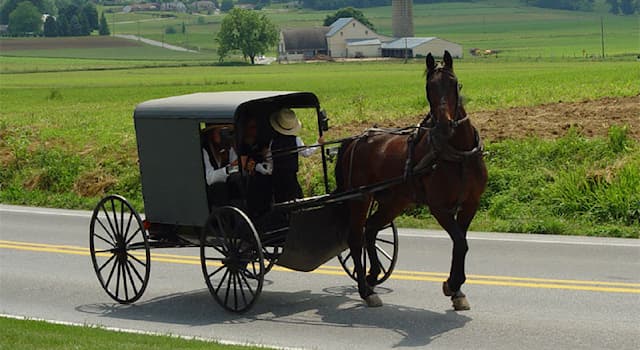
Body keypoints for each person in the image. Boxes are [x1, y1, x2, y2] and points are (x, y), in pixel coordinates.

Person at [269, 108, 323, 203]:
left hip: (277, 179)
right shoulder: (296, 140)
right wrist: (318, 143)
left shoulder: (273, 142)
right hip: (291, 178)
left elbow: (270, 160)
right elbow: (306, 153)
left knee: (280, 202)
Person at [201, 125, 238, 207]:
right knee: (219, 188)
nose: (224, 135)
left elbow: (236, 165)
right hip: (209, 193)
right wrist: (229, 169)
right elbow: (209, 178)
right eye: (221, 132)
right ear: (211, 133)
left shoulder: (228, 147)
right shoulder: (205, 150)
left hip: (226, 189)